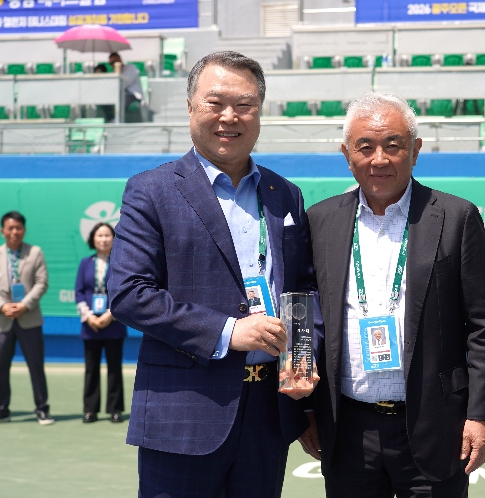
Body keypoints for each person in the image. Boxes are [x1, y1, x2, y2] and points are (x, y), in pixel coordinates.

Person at [108, 51, 321, 498]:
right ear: (190, 107)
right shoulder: (151, 190)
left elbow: (303, 290)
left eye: (244, 105)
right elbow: (129, 293)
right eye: (215, 102)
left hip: (269, 413)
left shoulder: (285, 194)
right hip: (184, 413)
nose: (229, 116)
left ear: (259, 113)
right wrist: (228, 331)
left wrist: (302, 363)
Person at [304, 92, 485, 497]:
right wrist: (307, 409)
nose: (379, 159)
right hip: (346, 430)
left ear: (415, 151)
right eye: (365, 147)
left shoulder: (456, 217)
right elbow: (307, 319)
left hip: (436, 425)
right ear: (346, 154)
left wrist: (480, 414)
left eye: (393, 145)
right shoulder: (320, 220)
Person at [0, 211, 53, 426]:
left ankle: (42, 409)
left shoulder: (35, 252)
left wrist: (24, 304)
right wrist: (2, 306)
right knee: (1, 367)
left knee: (36, 366)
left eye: (18, 228)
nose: (14, 232)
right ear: (2, 231)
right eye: (10, 228)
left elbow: (41, 282)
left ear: (24, 230)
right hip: (1, 320)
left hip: (29, 318)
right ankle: (1, 410)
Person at [75, 223, 126, 424]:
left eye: (107, 235)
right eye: (99, 235)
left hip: (114, 324)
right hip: (91, 326)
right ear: (93, 239)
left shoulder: (121, 262)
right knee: (91, 368)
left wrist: (110, 314)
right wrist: (89, 316)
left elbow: (125, 290)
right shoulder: (85, 263)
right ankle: (90, 410)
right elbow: (79, 292)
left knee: (114, 368)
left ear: (114, 239)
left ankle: (115, 409)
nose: (103, 239)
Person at [109, 52, 143, 117]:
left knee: (122, 100)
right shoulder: (113, 73)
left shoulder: (131, 68)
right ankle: (111, 120)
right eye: (111, 63)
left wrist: (118, 72)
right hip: (120, 95)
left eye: (115, 61)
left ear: (120, 59)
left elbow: (124, 84)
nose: (114, 64)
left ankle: (119, 120)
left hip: (133, 95)